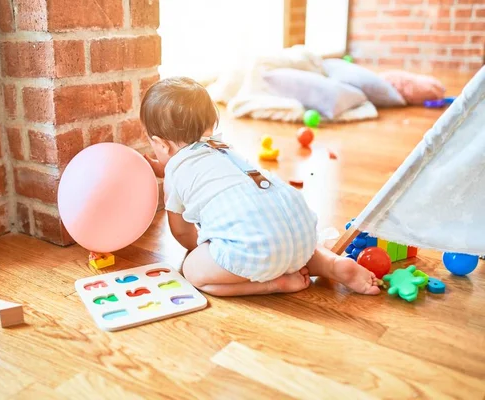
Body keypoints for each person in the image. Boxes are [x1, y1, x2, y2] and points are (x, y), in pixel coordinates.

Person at [141, 76, 380, 297]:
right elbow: (204, 176)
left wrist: (207, 249)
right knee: (288, 245)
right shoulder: (220, 146)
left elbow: (182, 231)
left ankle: (272, 283)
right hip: (299, 227)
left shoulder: (176, 174)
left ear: (161, 145)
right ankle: (332, 264)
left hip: (256, 247)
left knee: (192, 270)